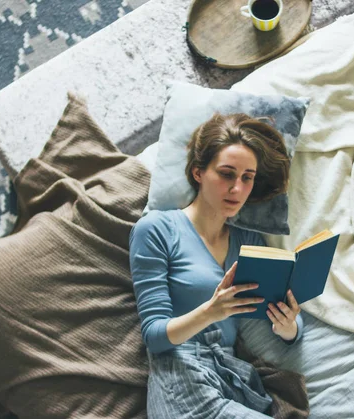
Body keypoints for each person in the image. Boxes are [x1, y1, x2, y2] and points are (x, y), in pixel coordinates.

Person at [129, 112, 305, 418]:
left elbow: (286, 322)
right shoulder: (157, 229)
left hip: (231, 378)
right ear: (198, 172)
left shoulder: (247, 241)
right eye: (226, 174)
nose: (237, 188)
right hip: (180, 375)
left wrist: (288, 325)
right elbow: (154, 337)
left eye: (247, 177)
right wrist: (212, 311)